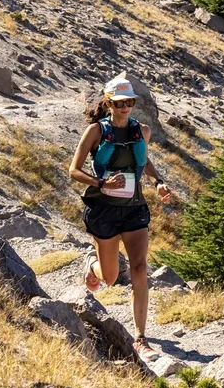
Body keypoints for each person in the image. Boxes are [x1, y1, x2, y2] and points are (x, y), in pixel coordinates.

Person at [67, 75, 173, 361]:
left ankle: (140, 338)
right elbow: (73, 171)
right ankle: (93, 265)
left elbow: (144, 160)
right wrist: (102, 184)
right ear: (108, 103)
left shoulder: (143, 131)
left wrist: (158, 181)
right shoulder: (95, 132)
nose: (125, 107)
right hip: (103, 209)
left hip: (135, 208)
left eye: (129, 102)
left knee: (139, 269)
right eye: (119, 102)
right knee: (111, 278)